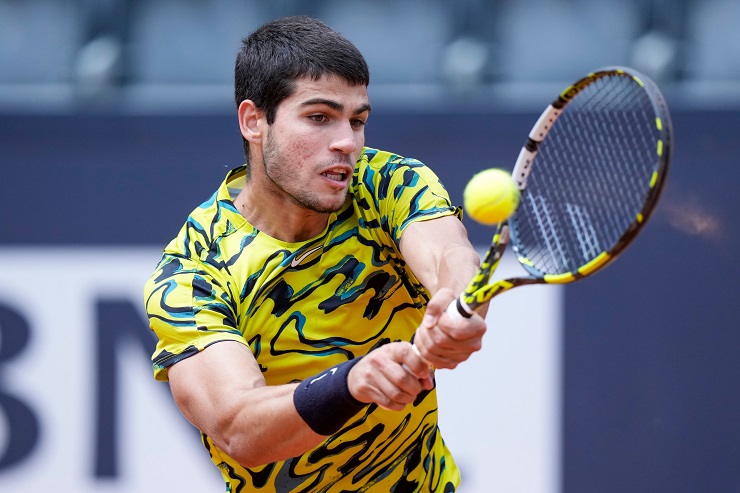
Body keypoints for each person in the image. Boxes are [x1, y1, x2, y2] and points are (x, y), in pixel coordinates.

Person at [143, 15, 488, 493]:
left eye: (357, 120)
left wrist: (457, 306)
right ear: (253, 121)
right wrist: (352, 382)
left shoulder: (387, 182)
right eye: (319, 117)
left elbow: (449, 256)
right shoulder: (193, 271)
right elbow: (238, 427)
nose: (347, 141)